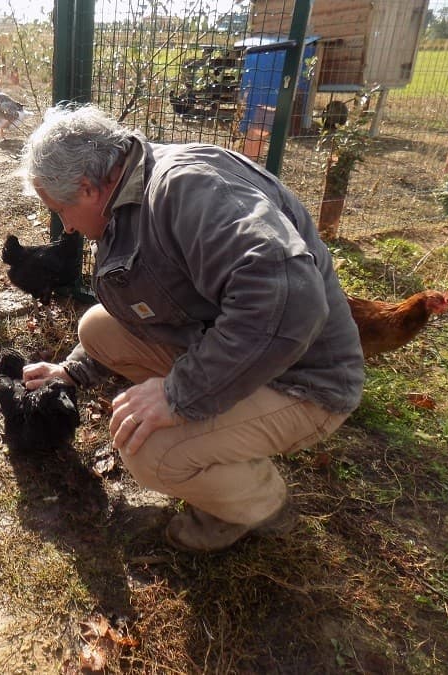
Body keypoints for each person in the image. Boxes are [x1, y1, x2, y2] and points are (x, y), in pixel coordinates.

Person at [19, 104, 364, 552]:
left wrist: (178, 394)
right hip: (247, 349)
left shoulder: (187, 189)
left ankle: (263, 504)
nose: (65, 226)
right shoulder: (128, 191)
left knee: (149, 453)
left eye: (60, 210)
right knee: (97, 328)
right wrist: (72, 372)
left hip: (301, 378)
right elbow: (149, 303)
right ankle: (220, 437)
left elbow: (290, 300)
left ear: (87, 188)